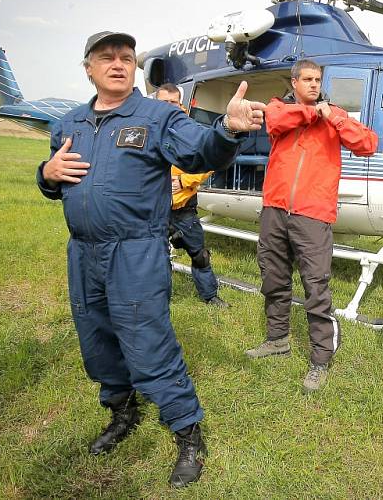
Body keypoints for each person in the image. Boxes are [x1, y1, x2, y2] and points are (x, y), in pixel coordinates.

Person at [36, 31, 264, 487]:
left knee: (148, 344)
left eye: (125, 57)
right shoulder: (69, 123)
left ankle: (187, 432)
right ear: (89, 67)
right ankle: (122, 414)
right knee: (96, 339)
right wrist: (45, 175)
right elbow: (56, 179)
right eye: (106, 57)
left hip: (136, 252)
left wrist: (228, 130)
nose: (117, 63)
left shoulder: (157, 116)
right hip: (83, 253)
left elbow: (200, 150)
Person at [244, 59, 378, 393]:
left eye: (318, 79)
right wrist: (311, 113)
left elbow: (368, 144)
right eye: (307, 79)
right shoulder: (281, 107)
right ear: (294, 82)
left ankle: (321, 358)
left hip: (313, 214)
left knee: (316, 287)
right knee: (273, 278)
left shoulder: (335, 115)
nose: (314, 84)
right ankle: (277, 340)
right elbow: (274, 120)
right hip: (275, 210)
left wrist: (332, 116)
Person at [156, 83, 228, 308]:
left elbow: (209, 161)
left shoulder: (191, 129)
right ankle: (159, 301)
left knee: (199, 255)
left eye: (172, 102)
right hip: (155, 208)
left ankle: (210, 295)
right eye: (163, 102)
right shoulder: (145, 129)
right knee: (156, 259)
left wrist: (183, 181)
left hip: (184, 208)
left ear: (180, 104)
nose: (168, 107)